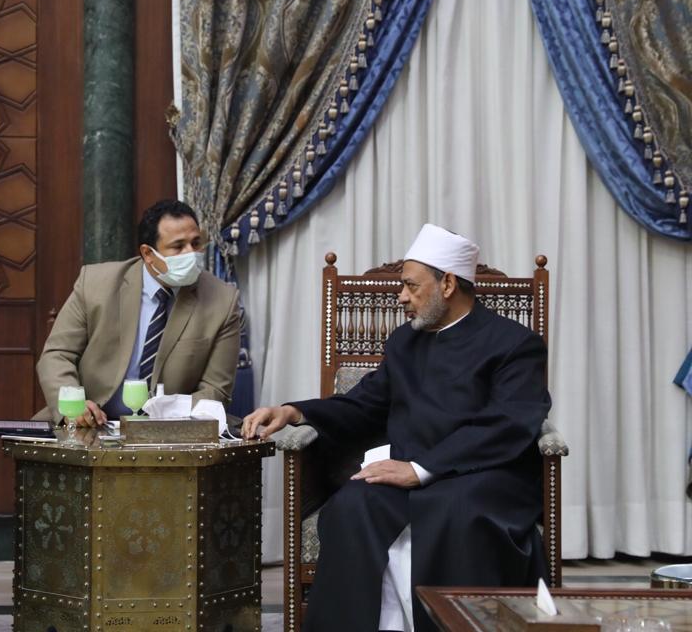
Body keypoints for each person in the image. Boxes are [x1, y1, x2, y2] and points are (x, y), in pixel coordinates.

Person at [242, 224, 550, 632]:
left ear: (448, 285)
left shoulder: (515, 343)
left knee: (456, 514)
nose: (401, 296)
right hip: (409, 470)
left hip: (485, 476)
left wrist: (421, 469)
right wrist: (293, 411)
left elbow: (508, 424)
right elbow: (365, 404)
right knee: (352, 505)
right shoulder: (405, 342)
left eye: (410, 286)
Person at [35, 199, 240, 426]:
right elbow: (57, 354)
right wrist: (75, 407)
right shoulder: (95, 284)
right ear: (148, 253)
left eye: (196, 243)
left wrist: (164, 415)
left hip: (174, 431)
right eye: (178, 246)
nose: (191, 253)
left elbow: (215, 390)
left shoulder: (223, 300)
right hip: (91, 426)